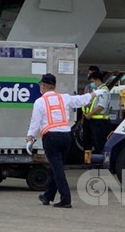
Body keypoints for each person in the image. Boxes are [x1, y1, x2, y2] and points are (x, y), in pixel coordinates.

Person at [27, 73, 104, 209]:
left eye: (41, 85)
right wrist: (95, 93)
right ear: (54, 86)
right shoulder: (64, 98)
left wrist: (30, 137)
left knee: (57, 169)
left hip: (51, 137)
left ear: (44, 86)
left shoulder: (40, 102)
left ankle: (65, 199)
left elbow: (35, 122)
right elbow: (81, 100)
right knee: (57, 167)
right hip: (66, 137)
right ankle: (48, 196)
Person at [81, 70, 112, 156]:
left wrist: (89, 114)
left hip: (100, 122)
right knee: (87, 142)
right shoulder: (98, 90)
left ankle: (99, 163)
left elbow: (101, 106)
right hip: (92, 120)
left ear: (97, 79)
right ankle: (88, 161)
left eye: (92, 81)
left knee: (99, 144)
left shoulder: (104, 91)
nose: (92, 84)